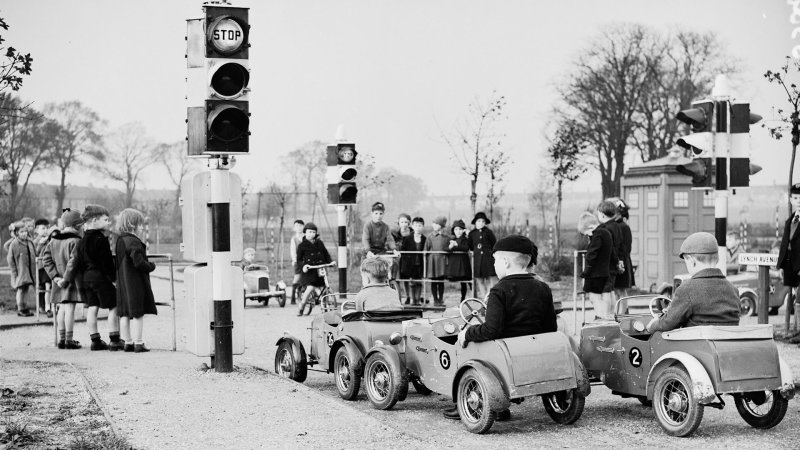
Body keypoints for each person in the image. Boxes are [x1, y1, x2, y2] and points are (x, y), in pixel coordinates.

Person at [449, 235, 557, 421]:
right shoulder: (543, 288)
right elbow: (550, 327)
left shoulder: (499, 291)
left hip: (504, 353)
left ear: (506, 262)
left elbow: (492, 330)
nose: (494, 266)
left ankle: (477, 400)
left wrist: (467, 333)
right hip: (535, 349)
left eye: (495, 261)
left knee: (466, 345)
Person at [647, 232, 740, 332]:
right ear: (717, 259)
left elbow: (667, 324)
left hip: (695, 346)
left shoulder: (686, 290)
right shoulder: (733, 290)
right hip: (726, 345)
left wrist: (652, 325)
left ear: (691, 260)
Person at [74, 204, 121, 351]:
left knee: (92, 308)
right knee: (114, 305)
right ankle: (114, 339)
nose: (109, 222)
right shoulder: (101, 239)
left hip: (87, 278)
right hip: (100, 277)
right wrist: (114, 279)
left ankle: (95, 340)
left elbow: (79, 263)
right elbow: (106, 262)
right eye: (106, 220)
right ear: (94, 220)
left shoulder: (81, 241)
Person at [115, 208, 157, 353]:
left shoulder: (120, 240)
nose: (142, 227)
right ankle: (139, 343)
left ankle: (127, 342)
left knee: (124, 313)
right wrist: (151, 266)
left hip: (122, 283)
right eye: (140, 224)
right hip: (135, 283)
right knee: (138, 313)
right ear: (133, 225)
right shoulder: (133, 241)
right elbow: (138, 263)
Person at [43, 210, 84, 349]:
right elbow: (73, 262)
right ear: (77, 225)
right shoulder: (76, 241)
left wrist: (55, 277)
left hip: (58, 282)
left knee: (61, 309)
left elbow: (46, 260)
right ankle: (69, 339)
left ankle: (61, 339)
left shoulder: (53, 241)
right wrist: (66, 279)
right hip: (71, 281)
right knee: (70, 309)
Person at [578, 212, 614, 319]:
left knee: (595, 297)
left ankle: (601, 317)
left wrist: (586, 271)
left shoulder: (598, 234)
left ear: (590, 227)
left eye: (587, 233)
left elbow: (592, 254)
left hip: (595, 273)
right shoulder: (606, 232)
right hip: (604, 271)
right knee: (599, 297)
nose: (588, 235)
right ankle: (604, 316)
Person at [296, 222, 332, 316]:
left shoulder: (319, 243)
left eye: (313, 232)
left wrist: (331, 262)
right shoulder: (302, 246)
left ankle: (325, 305)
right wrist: (304, 266)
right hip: (309, 271)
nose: (312, 234)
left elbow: (326, 254)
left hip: (319, 269)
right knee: (310, 287)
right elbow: (299, 260)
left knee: (324, 286)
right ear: (305, 233)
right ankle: (302, 306)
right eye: (309, 232)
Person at [6, 221, 36, 317]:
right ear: (17, 233)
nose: (24, 233)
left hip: (29, 270)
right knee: (21, 289)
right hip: (20, 271)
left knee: (26, 288)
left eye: (25, 231)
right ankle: (20, 308)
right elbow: (10, 259)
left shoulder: (29, 241)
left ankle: (25, 307)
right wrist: (15, 271)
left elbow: (34, 253)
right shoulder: (14, 243)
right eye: (21, 232)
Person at [468, 212, 497, 299]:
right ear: (475, 222)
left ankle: (488, 297)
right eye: (479, 221)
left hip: (487, 259)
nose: (481, 223)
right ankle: (483, 296)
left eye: (483, 221)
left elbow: (494, 244)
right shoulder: (472, 234)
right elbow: (470, 246)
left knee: (488, 279)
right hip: (477, 260)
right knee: (479, 279)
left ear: (485, 223)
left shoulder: (488, 232)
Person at [778, 183, 800, 298]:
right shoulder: (790, 220)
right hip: (790, 265)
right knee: (795, 296)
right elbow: (785, 244)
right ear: (791, 200)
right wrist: (782, 265)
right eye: (796, 198)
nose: (799, 201)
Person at [399, 217, 426, 305]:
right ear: (412, 226)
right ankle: (413, 300)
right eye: (416, 225)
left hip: (420, 264)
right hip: (410, 265)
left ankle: (418, 300)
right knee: (411, 282)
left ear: (423, 227)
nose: (418, 227)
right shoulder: (407, 238)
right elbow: (403, 251)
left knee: (419, 282)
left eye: (420, 225)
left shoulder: (425, 239)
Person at [425, 216, 449, 306]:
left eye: (436, 224)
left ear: (441, 226)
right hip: (432, 262)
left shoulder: (446, 237)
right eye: (433, 224)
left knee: (441, 281)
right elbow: (425, 250)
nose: (434, 225)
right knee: (434, 282)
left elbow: (448, 247)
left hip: (442, 262)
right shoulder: (430, 237)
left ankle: (441, 298)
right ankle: (435, 300)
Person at [447, 219, 472, 302]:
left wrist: (457, 245)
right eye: (456, 229)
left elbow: (466, 248)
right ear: (453, 230)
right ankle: (462, 298)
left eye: (460, 229)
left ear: (463, 230)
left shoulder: (465, 239)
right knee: (461, 281)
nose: (458, 231)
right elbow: (446, 250)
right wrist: (450, 247)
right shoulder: (451, 239)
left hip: (463, 263)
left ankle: (471, 296)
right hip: (455, 264)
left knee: (467, 281)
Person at [33, 218, 53, 318]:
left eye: (47, 228)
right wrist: (41, 243)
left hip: (48, 267)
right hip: (40, 267)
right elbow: (35, 254)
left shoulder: (50, 239)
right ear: (37, 230)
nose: (45, 230)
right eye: (43, 228)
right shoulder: (36, 241)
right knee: (42, 288)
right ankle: (42, 307)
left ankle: (48, 308)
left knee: (48, 287)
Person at [391, 213, 412, 304]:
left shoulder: (412, 233)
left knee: (408, 279)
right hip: (398, 259)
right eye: (402, 222)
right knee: (398, 278)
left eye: (406, 222)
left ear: (409, 223)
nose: (404, 224)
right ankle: (398, 297)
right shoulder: (395, 234)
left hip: (409, 259)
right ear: (399, 223)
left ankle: (409, 296)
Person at [289, 219, 305, 305]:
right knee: (297, 277)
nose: (298, 228)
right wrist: (295, 260)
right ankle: (292, 297)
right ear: (294, 228)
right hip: (298, 262)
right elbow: (293, 251)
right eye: (296, 226)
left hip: (307, 261)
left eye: (300, 226)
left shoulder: (306, 237)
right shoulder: (294, 239)